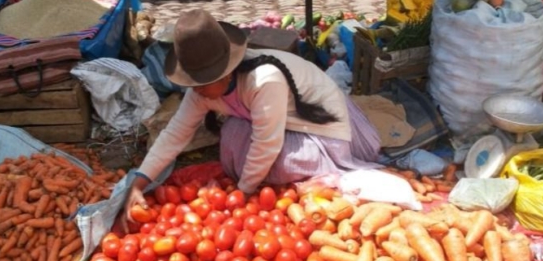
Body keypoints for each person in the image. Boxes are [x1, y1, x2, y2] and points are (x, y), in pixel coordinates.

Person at [122, 9, 383, 221]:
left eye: (202, 83)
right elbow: (176, 133)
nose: (197, 91)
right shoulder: (201, 91)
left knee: (274, 163)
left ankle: (315, 167)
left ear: (225, 72)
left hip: (323, 129)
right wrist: (139, 182)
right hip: (284, 124)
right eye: (194, 83)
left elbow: (266, 143)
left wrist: (241, 193)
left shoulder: (263, 80)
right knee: (232, 139)